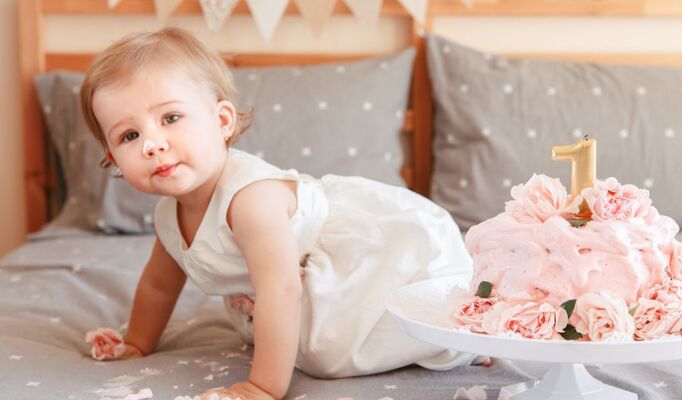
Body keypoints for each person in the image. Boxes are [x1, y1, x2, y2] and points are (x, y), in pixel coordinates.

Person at [80, 27, 476, 400]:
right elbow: (158, 287)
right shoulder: (169, 215)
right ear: (114, 159)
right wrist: (137, 343)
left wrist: (262, 387)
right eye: (129, 136)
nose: (152, 144)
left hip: (353, 267)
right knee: (309, 345)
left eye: (170, 118)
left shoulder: (251, 199)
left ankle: (460, 341)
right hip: (283, 290)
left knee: (336, 350)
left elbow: (281, 290)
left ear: (222, 121)